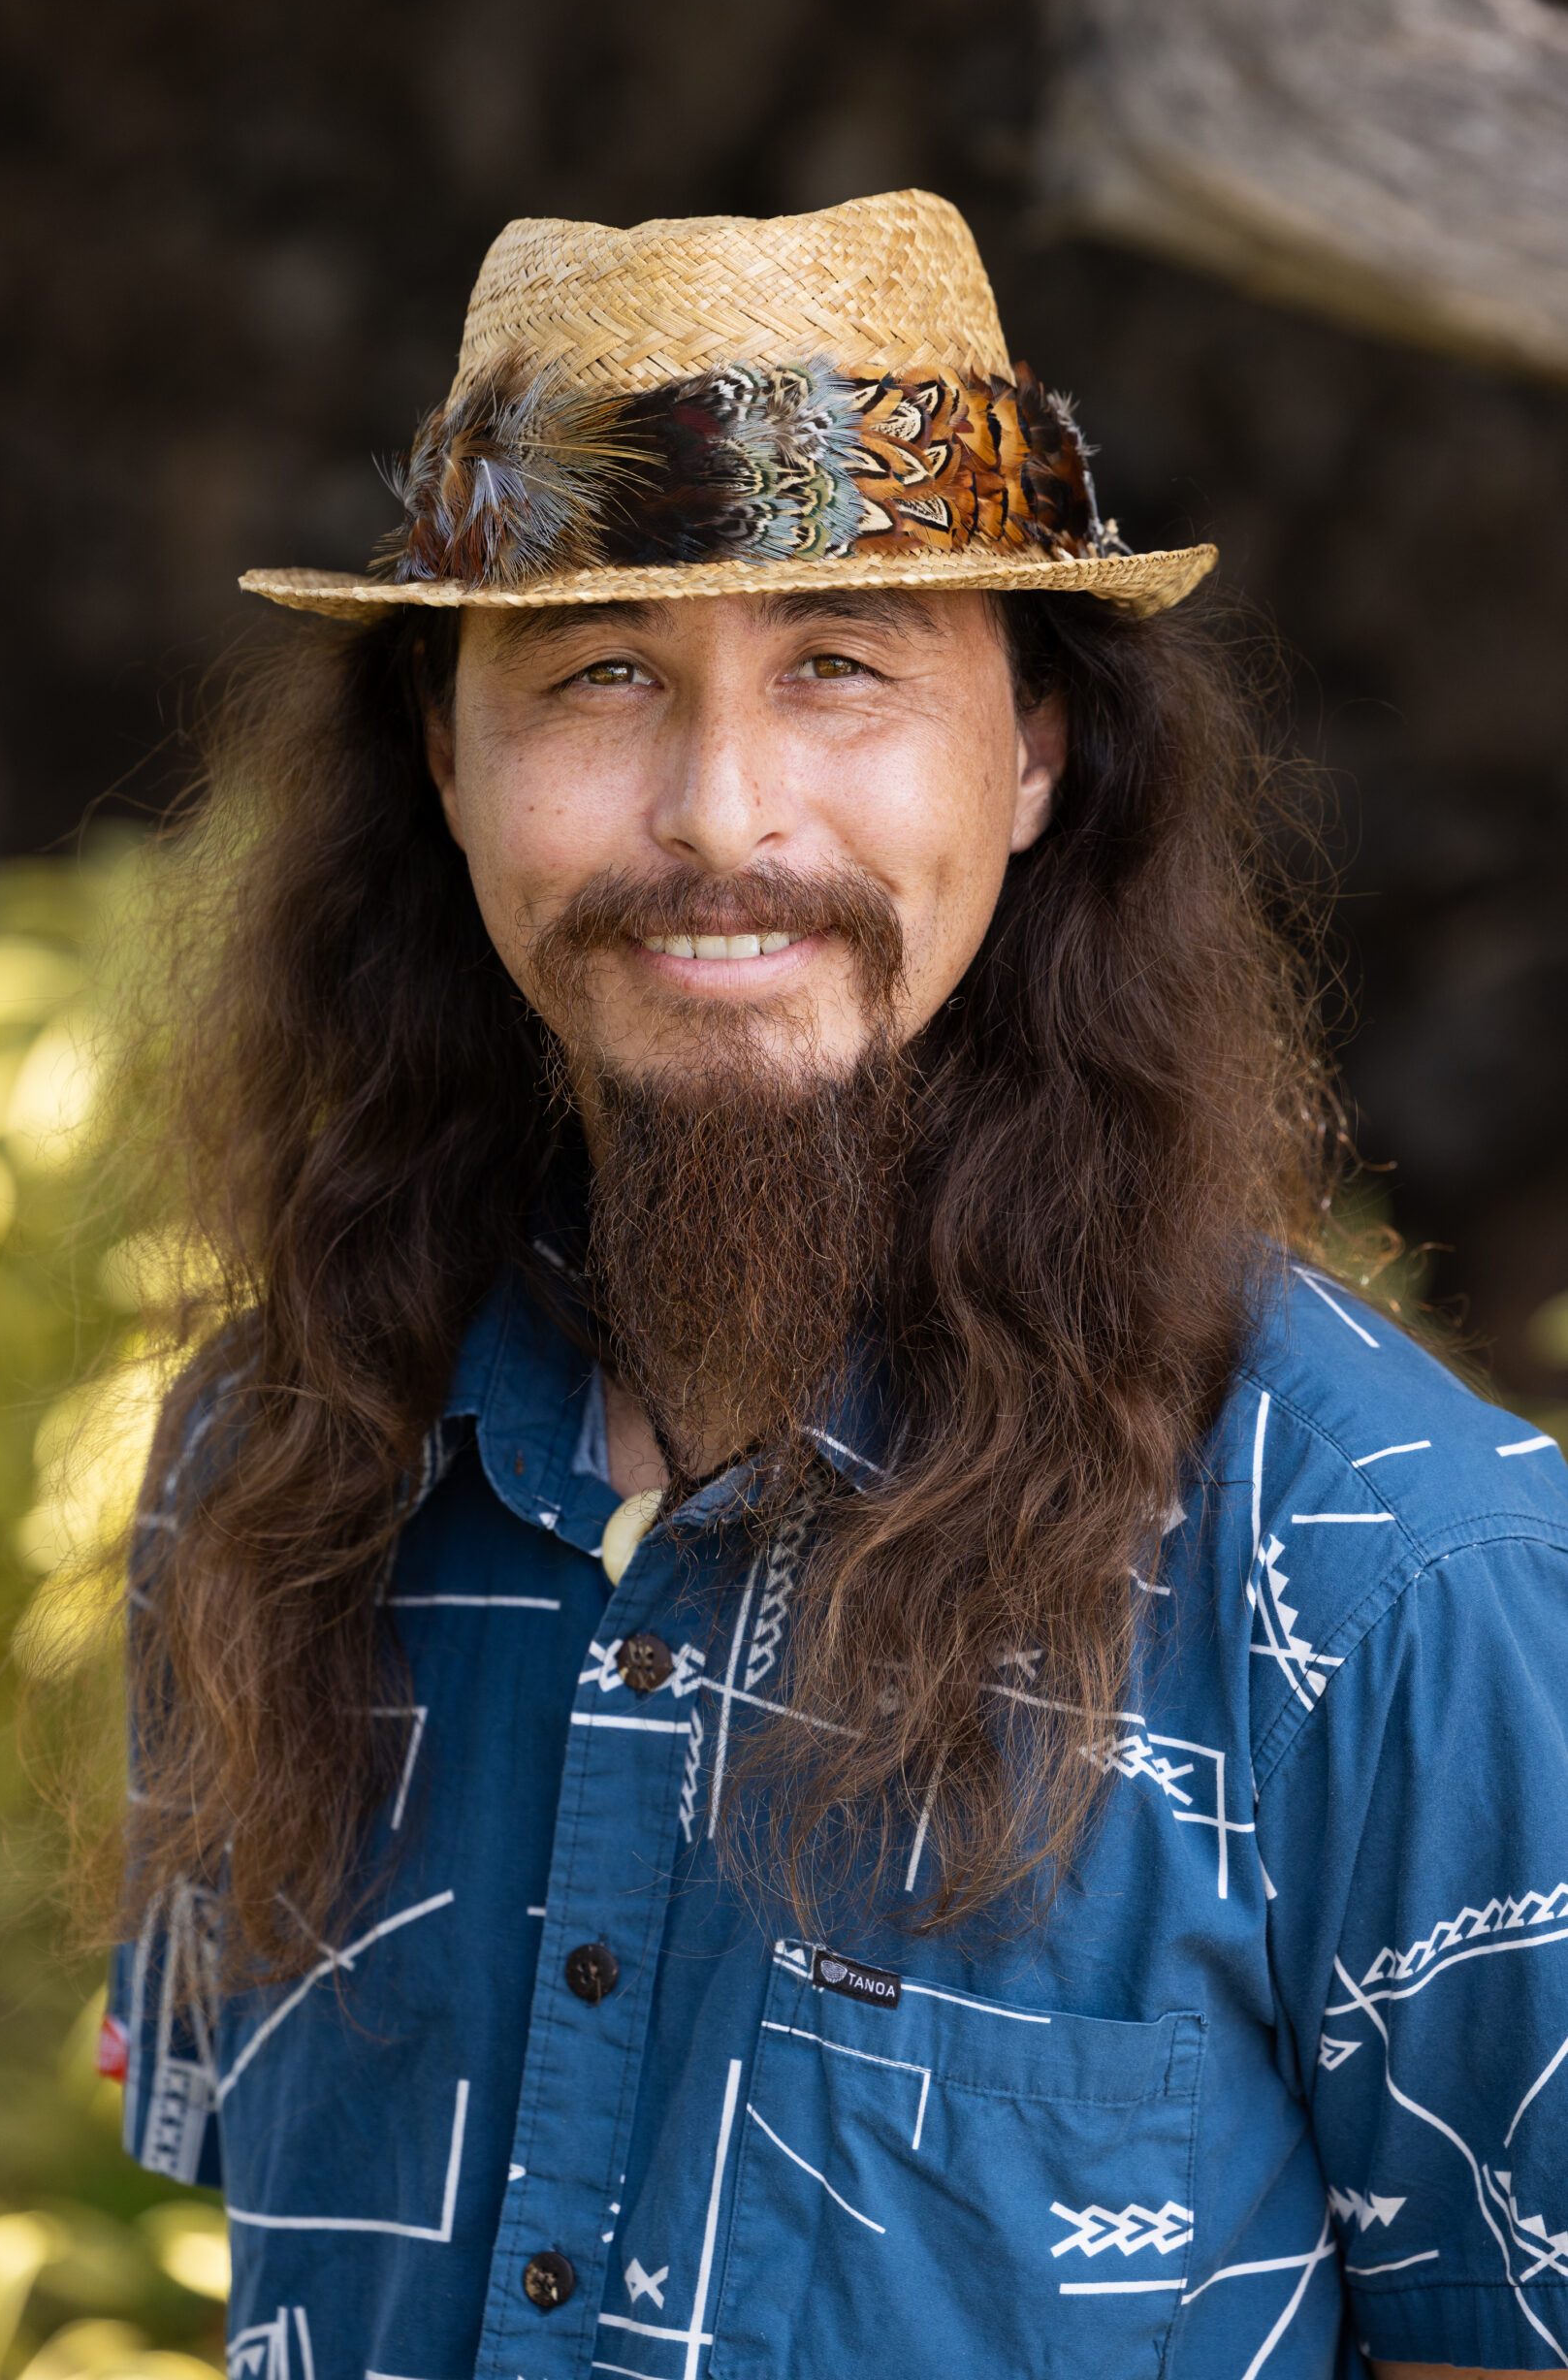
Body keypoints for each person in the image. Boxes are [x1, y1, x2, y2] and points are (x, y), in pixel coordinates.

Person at [105, 191, 1568, 2380]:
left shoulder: (1392, 1583)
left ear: (1036, 750)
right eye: (599, 672)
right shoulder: (273, 1459)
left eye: (841, 664)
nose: (721, 812)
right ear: (443, 758)